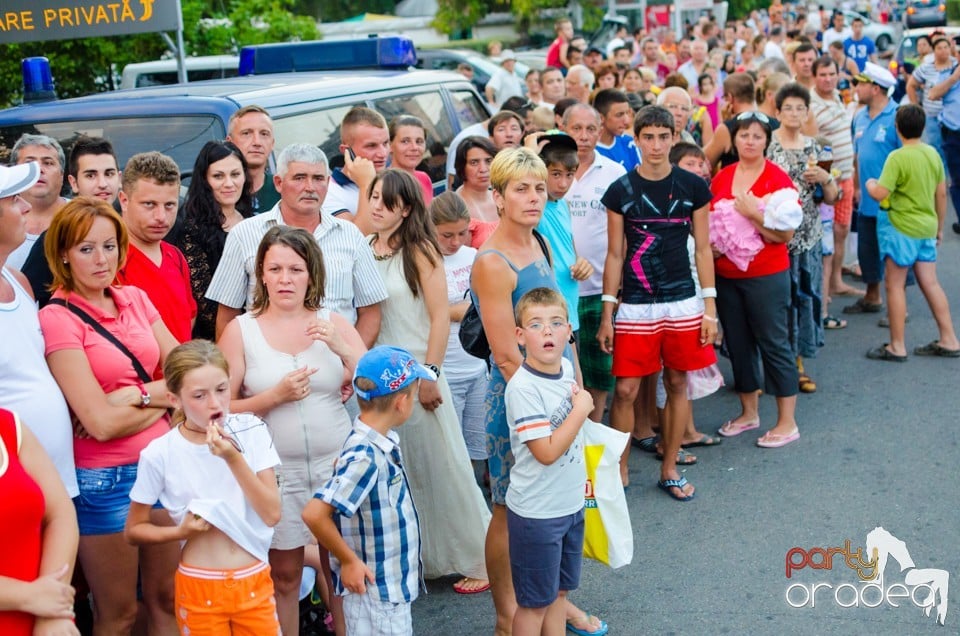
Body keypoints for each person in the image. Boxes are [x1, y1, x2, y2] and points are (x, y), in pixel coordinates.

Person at [471, 147, 604, 636]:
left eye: (539, 188)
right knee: (510, 507)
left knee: (555, 502)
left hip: (560, 391)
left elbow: (561, 331)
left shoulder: (542, 243)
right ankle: (508, 614)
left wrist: (579, 394)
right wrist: (551, 410)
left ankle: (547, 602)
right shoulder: (492, 261)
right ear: (499, 195)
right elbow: (507, 355)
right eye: (520, 188)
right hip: (520, 399)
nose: (532, 197)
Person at [39, 198, 180, 634]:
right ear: (63, 253)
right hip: (107, 481)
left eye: (109, 246)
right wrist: (164, 397)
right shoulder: (58, 318)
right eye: (86, 249)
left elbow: (188, 372)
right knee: (120, 614)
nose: (101, 260)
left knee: (167, 600)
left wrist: (133, 396)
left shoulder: (135, 297)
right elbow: (98, 424)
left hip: (163, 464)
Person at [218, 225, 366, 636]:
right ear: (261, 275)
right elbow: (221, 407)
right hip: (276, 471)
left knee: (340, 567)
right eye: (275, 269)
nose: (285, 279)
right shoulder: (241, 330)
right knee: (283, 574)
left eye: (295, 269)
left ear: (311, 274)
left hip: (334, 462)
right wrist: (274, 396)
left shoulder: (331, 321)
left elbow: (378, 384)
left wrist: (342, 347)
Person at [366, 169, 490, 593]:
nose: (377, 207)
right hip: (379, 379)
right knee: (405, 472)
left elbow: (441, 317)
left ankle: (480, 557)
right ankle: (423, 557)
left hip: (419, 373)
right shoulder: (365, 248)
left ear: (405, 209)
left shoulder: (421, 251)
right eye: (374, 198)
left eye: (386, 201)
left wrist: (431, 374)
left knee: (444, 468)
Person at [597, 105, 717, 498]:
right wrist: (607, 314)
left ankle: (669, 467)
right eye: (647, 137)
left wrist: (709, 308)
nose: (656, 145)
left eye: (663, 137)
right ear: (636, 139)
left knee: (678, 381)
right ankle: (621, 468)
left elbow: (703, 250)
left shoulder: (694, 187)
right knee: (627, 390)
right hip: (634, 303)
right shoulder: (620, 191)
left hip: (683, 301)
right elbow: (615, 254)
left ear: (673, 137)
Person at [125, 340, 282, 634]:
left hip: (254, 577)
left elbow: (272, 513)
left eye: (222, 389)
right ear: (175, 400)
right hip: (199, 584)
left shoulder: (251, 430)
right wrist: (180, 532)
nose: (215, 403)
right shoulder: (160, 453)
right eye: (199, 395)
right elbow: (134, 529)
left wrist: (232, 457)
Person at [302, 346, 429, 636]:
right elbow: (314, 513)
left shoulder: (372, 443)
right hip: (377, 592)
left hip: (387, 587)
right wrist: (348, 561)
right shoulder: (366, 455)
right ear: (401, 402)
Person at [206, 143, 387, 346]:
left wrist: (350, 362)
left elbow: (370, 312)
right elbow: (227, 314)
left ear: (328, 183)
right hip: (265, 371)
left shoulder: (350, 235)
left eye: (318, 179)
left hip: (337, 368)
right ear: (278, 183)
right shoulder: (244, 234)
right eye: (299, 178)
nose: (310, 187)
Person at [710, 111, 802, 448]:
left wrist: (754, 214)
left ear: (767, 140)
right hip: (726, 276)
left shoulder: (778, 179)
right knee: (738, 343)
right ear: (734, 139)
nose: (749, 141)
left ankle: (787, 421)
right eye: (744, 135)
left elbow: (785, 235)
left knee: (773, 342)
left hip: (766, 276)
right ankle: (749, 413)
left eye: (757, 136)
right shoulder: (722, 177)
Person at [505, 287, 589, 636]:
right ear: (520, 336)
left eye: (556, 323)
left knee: (558, 592)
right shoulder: (523, 388)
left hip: (569, 505)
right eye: (536, 325)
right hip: (537, 514)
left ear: (569, 331)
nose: (548, 331)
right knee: (534, 604)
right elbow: (546, 452)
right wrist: (582, 409)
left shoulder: (566, 368)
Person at [0, 162, 79, 499]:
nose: (27, 206)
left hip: (59, 474)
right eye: (14, 199)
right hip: (14, 484)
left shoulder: (18, 281)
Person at [864, 104, 959, 360]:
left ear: (897, 128)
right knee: (930, 282)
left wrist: (870, 182)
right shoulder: (932, 155)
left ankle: (897, 345)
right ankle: (949, 338)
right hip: (926, 227)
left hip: (900, 227)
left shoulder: (897, 157)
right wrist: (939, 227)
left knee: (894, 285)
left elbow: (880, 193)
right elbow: (941, 194)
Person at [767, 83, 838, 394]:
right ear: (778, 112)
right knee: (774, 303)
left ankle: (797, 363)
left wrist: (826, 178)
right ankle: (769, 366)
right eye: (789, 108)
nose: (795, 113)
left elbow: (831, 198)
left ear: (807, 112)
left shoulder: (815, 148)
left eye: (800, 108)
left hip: (808, 235)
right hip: (775, 237)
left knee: (804, 299)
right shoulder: (768, 146)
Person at [561, 104, 627, 424]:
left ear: (600, 132)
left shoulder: (615, 173)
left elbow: (625, 233)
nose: (584, 137)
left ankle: (595, 433)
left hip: (602, 288)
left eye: (590, 129)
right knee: (569, 372)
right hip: (561, 288)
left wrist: (622, 283)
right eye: (576, 129)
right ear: (563, 129)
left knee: (601, 372)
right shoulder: (551, 173)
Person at [0, 408, 79, 636]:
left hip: (41, 620)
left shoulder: (9, 425)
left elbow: (60, 514)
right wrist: (29, 596)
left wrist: (51, 613)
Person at [21, 135, 122, 308]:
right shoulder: (55, 238)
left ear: (119, 179)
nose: (103, 183)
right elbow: (25, 300)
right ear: (74, 183)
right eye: (91, 175)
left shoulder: (128, 230)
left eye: (109, 174)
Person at [430, 192, 489, 484]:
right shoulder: (424, 259)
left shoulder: (474, 257)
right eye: (446, 235)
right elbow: (424, 313)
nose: (455, 242)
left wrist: (452, 311)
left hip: (477, 367)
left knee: (477, 446)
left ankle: (474, 499)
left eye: (462, 233)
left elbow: (487, 304)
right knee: (449, 451)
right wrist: (461, 311)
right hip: (445, 369)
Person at [116, 152, 197, 345]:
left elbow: (189, 317)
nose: (161, 216)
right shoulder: (108, 260)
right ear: (124, 200)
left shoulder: (176, 256)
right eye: (149, 204)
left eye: (169, 205)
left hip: (180, 372)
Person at [177, 141, 253, 341]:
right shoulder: (192, 229)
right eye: (218, 176)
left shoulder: (252, 220)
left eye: (235, 174)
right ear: (204, 180)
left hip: (257, 330)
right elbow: (204, 302)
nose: (229, 183)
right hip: (214, 340)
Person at [844, 63, 900, 317]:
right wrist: (856, 186)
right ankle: (872, 296)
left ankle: (899, 309)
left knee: (893, 254)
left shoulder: (898, 116)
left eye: (861, 84)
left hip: (892, 202)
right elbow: (858, 156)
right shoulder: (860, 116)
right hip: (867, 198)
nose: (856, 88)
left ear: (876, 88)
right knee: (868, 249)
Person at [531, 132, 593, 341]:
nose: (564, 184)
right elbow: (519, 180)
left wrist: (581, 264)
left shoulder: (564, 205)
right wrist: (531, 153)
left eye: (570, 174)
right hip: (546, 315)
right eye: (555, 174)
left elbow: (571, 252)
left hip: (570, 309)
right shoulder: (534, 206)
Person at [322, 106, 391, 233]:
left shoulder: (390, 180)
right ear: (346, 151)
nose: (383, 153)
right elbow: (359, 237)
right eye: (371, 146)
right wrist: (366, 185)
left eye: (385, 143)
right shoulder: (328, 191)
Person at [7, 134, 68, 271]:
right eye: (30, 163)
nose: (39, 169)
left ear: (61, 175)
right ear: (14, 172)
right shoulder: (3, 221)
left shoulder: (83, 216)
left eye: (48, 163)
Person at [926, 38, 960, 233]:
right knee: (957, 180)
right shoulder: (947, 75)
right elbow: (933, 94)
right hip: (954, 133)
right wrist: (955, 77)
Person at [907, 37, 956, 174]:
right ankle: (940, 178)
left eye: (946, 47)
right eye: (939, 48)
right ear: (933, 51)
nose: (943, 51)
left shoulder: (955, 66)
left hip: (952, 117)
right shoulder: (926, 68)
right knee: (935, 148)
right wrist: (916, 107)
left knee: (952, 148)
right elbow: (911, 85)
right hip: (932, 116)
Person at [226, 105, 281, 214]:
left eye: (264, 134)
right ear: (229, 142)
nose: (257, 142)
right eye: (246, 133)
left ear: (272, 144)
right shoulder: (216, 194)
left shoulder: (283, 191)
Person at [454, 136, 499, 248]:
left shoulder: (501, 198)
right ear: (462, 167)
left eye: (488, 161)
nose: (483, 169)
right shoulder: (454, 207)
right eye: (474, 163)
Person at [388, 115, 434, 204]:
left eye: (419, 141)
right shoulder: (383, 185)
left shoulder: (424, 179)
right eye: (405, 141)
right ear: (389, 145)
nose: (414, 147)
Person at [593, 89, 642, 171]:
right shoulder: (588, 149)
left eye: (627, 113)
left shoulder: (630, 144)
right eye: (619, 115)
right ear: (601, 118)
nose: (626, 121)